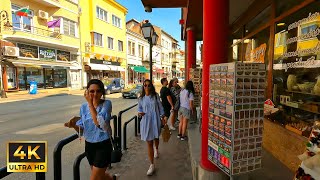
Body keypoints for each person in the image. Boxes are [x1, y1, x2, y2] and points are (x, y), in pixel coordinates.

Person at [64, 79, 117, 180]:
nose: (95, 94)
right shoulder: (83, 107)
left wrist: (90, 104)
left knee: (94, 178)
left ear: (102, 92)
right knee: (99, 176)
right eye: (92, 91)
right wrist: (73, 125)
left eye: (98, 91)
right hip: (89, 146)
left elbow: (99, 124)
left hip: (103, 145)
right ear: (87, 92)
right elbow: (83, 130)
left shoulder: (106, 104)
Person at [138, 79, 165, 176]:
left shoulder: (155, 96)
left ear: (151, 86)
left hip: (156, 120)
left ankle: (156, 149)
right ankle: (152, 164)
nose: (147, 87)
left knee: (156, 137)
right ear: (143, 87)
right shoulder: (141, 98)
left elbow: (160, 107)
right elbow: (139, 109)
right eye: (145, 85)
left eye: (149, 85)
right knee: (149, 142)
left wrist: (163, 116)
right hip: (146, 121)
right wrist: (140, 113)